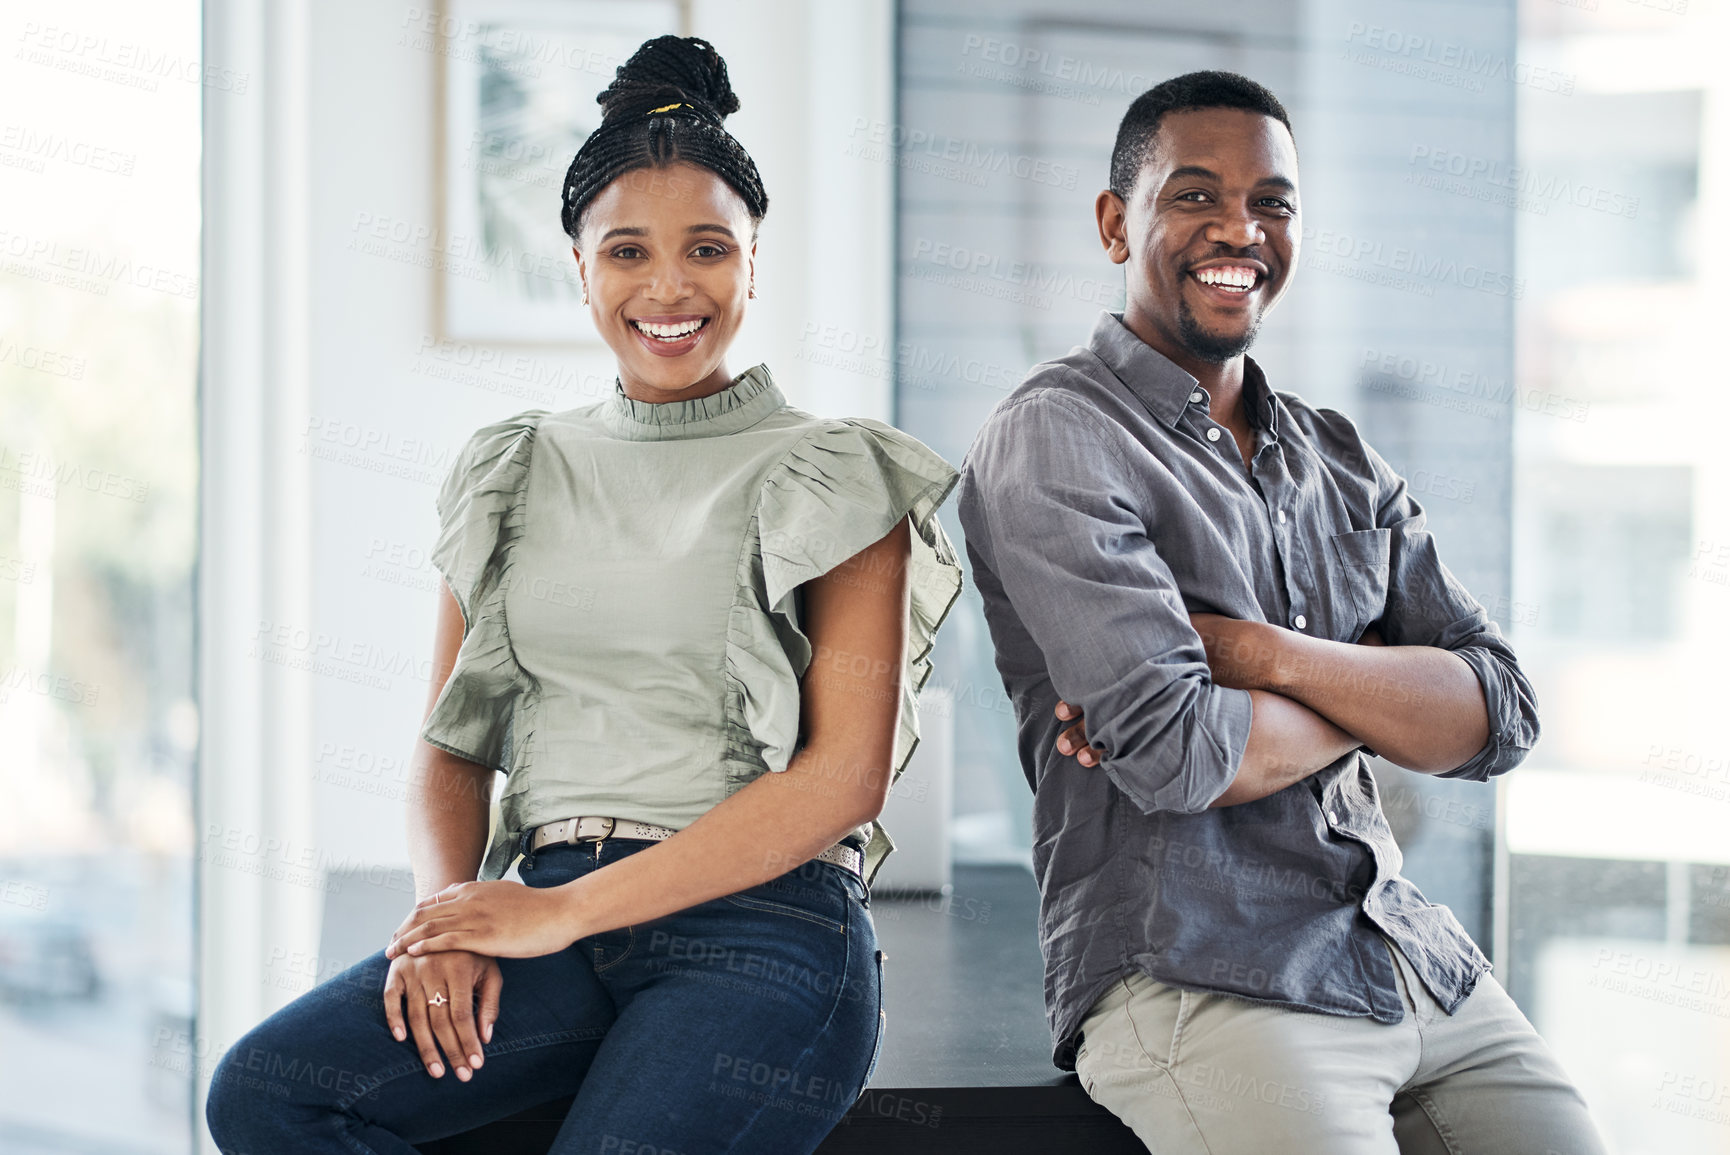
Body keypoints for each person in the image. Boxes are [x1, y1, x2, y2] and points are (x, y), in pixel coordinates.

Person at [204, 35, 962, 1155]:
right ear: (578, 267)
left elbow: (843, 780)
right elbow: (451, 745)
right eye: (625, 252)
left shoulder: (837, 471)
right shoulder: (512, 466)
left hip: (760, 930)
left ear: (753, 264)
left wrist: (555, 912)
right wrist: (445, 921)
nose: (667, 288)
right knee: (267, 1093)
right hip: (546, 910)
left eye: (707, 249)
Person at [955, 71, 1606, 1154]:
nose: (1239, 230)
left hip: (1408, 957)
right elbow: (1180, 754)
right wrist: (1385, 690)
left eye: (1272, 203)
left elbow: (1499, 714)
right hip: (1203, 982)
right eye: (1194, 196)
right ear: (1117, 223)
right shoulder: (1056, 436)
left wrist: (1263, 656)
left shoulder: (1335, 454)